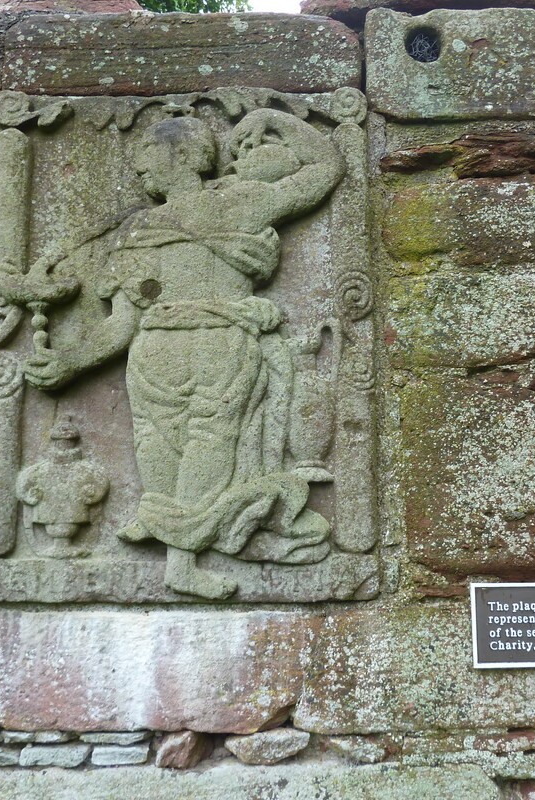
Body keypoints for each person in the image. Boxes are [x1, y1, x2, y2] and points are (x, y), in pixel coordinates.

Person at [24, 108, 346, 599]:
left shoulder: (240, 202)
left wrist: (268, 117)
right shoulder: (138, 232)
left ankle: (180, 554)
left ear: (190, 155)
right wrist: (68, 361)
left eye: (149, 153)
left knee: (208, 448)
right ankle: (176, 549)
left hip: (218, 347)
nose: (139, 167)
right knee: (158, 453)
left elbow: (326, 168)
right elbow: (121, 326)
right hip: (153, 354)